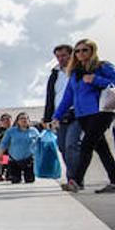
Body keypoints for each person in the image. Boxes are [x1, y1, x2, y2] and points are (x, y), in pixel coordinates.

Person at [53, 38, 115, 193]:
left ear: (92, 51)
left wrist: (96, 79)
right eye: (77, 51)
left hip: (101, 112)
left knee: (86, 145)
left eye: (85, 50)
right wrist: (56, 116)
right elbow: (68, 97)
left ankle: (76, 181)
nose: (81, 53)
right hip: (83, 115)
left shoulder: (102, 66)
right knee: (102, 149)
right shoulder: (75, 73)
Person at [43, 43, 83, 183]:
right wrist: (47, 118)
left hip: (77, 113)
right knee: (62, 146)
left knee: (72, 145)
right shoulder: (55, 74)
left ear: (71, 55)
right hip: (59, 116)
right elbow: (50, 96)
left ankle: (74, 179)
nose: (61, 59)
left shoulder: (79, 71)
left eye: (64, 55)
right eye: (58, 56)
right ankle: (74, 176)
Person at [0, 112, 40, 183]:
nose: (24, 120)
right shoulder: (11, 131)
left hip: (29, 160)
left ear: (29, 121)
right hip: (14, 160)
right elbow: (4, 143)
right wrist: (0, 155)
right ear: (17, 121)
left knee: (30, 181)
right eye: (21, 118)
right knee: (15, 181)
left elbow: (40, 143)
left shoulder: (34, 131)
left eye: (26, 118)